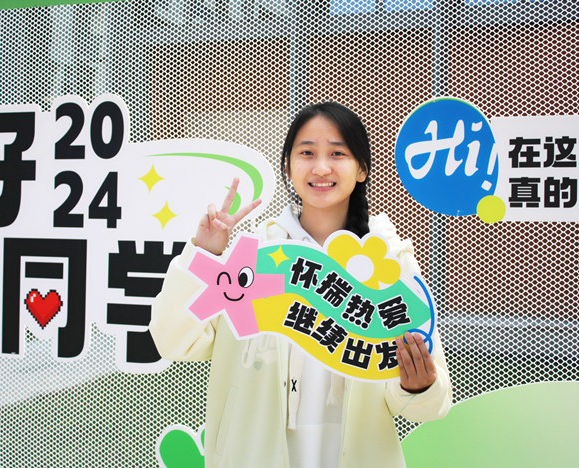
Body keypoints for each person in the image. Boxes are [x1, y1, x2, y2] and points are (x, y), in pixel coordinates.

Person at [150, 102, 452, 468]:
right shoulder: (254, 254)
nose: (321, 167)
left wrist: (417, 386)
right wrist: (205, 253)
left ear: (361, 169)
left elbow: (431, 402)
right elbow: (174, 340)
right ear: (288, 167)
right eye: (307, 153)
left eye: (337, 153)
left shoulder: (388, 260)